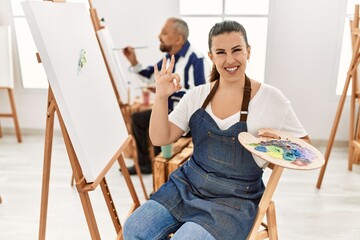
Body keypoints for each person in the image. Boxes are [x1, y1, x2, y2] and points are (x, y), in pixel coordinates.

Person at [123, 20, 310, 240]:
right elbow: (159, 137)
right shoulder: (197, 95)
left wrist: (278, 142)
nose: (230, 60)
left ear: (248, 52)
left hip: (235, 200)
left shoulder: (271, 98)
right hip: (187, 186)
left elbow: (306, 148)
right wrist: (161, 97)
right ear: (211, 57)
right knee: (134, 229)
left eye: (237, 50)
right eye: (221, 52)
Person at [122, 17, 209, 174]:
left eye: (164, 33)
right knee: (139, 119)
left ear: (178, 38)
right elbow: (150, 75)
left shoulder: (197, 60)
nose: (158, 36)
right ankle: (146, 165)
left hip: (185, 119)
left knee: (159, 127)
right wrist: (134, 62)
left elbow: (201, 94)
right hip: (167, 113)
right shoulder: (169, 58)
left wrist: (171, 92)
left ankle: (161, 173)